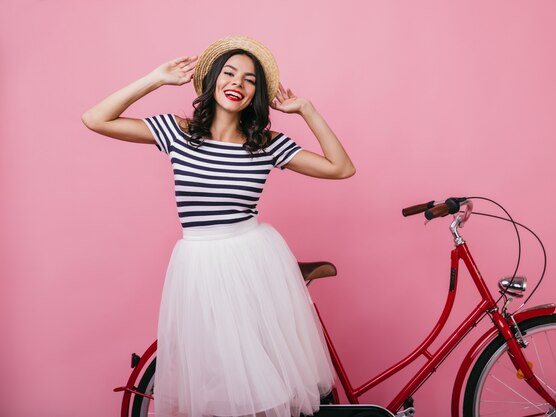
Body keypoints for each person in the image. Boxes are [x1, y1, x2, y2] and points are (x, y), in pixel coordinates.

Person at [82, 36, 355, 417]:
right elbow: (95, 119)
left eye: (249, 81)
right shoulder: (178, 132)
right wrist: (155, 79)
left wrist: (307, 110)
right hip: (200, 263)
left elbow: (341, 169)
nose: (237, 84)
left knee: (263, 381)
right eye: (229, 74)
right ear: (211, 82)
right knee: (220, 378)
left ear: (255, 95)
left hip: (252, 261)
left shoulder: (265, 144)